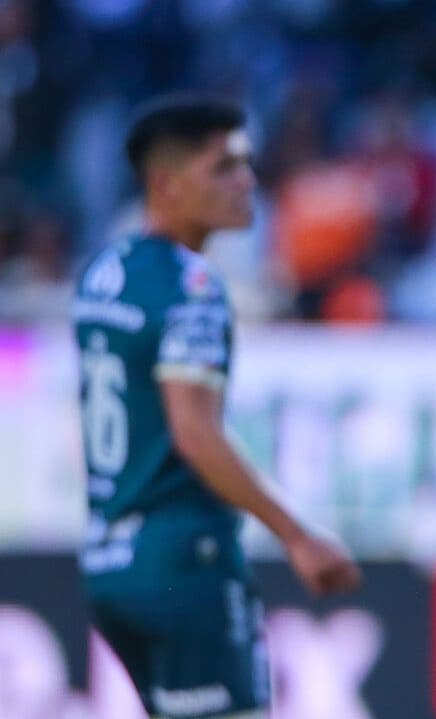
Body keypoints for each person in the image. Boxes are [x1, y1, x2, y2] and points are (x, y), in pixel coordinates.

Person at [73, 94, 362, 719]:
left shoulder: (104, 272)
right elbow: (195, 433)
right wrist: (297, 534)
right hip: (184, 560)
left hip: (109, 563)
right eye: (224, 167)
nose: (246, 181)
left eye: (246, 163)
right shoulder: (193, 286)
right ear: (166, 183)